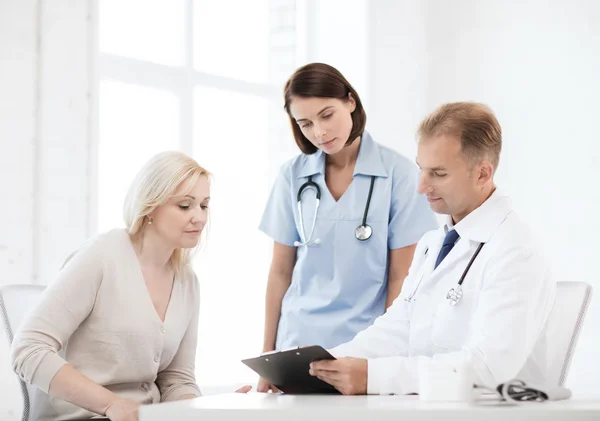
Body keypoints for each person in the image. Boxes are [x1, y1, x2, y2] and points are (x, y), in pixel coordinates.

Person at [308, 102, 556, 395]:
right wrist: (318, 368)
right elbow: (397, 329)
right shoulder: (433, 243)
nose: (421, 186)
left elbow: (487, 368)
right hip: (433, 407)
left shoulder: (515, 249)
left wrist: (373, 377)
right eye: (421, 170)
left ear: (482, 174)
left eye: (439, 174)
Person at [11, 151, 250, 421]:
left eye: (204, 206)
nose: (200, 218)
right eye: (185, 206)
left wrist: (202, 411)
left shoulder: (187, 281)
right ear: (150, 206)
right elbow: (28, 349)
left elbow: (176, 379)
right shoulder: (102, 256)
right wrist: (112, 404)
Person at [257, 63, 437, 392]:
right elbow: (280, 271)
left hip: (363, 346)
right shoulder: (292, 176)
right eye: (305, 123)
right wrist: (268, 358)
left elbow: (402, 277)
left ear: (350, 101)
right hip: (297, 346)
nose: (319, 133)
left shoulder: (397, 173)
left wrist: (386, 358)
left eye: (327, 115)